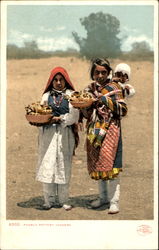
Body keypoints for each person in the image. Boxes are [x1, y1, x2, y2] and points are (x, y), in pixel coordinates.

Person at [81, 58, 128, 214]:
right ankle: (103, 198)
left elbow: (123, 109)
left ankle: (114, 201)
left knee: (112, 166)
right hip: (95, 131)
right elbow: (86, 112)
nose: (100, 75)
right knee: (98, 164)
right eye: (96, 72)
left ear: (109, 73)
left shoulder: (115, 87)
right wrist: (84, 107)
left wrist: (104, 100)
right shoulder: (89, 89)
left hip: (111, 131)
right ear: (92, 73)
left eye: (103, 72)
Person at [36, 67, 79, 211]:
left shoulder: (71, 95)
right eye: (56, 80)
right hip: (48, 134)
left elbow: (74, 116)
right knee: (47, 164)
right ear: (51, 81)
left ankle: (63, 200)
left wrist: (60, 119)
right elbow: (39, 112)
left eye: (61, 80)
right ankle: (48, 200)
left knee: (63, 165)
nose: (59, 83)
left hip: (64, 134)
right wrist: (44, 119)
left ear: (66, 80)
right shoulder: (46, 96)